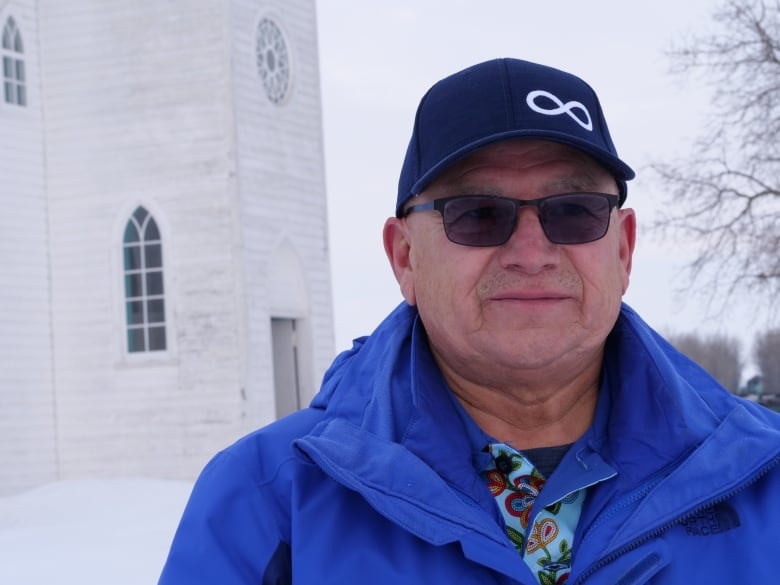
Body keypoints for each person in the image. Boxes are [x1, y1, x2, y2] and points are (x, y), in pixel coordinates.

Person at [158, 58, 780, 585]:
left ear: (622, 250)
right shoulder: (268, 500)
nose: (532, 252)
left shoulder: (763, 478)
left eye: (573, 211)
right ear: (404, 258)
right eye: (479, 214)